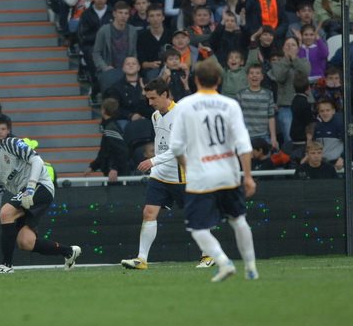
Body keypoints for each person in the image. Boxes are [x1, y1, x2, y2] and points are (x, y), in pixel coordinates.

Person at [169, 58, 259, 282]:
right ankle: (251, 268)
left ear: (196, 80)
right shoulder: (230, 105)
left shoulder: (184, 105)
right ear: (219, 80)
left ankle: (223, 262)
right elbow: (243, 144)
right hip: (228, 174)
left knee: (198, 228)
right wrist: (248, 176)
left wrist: (188, 167)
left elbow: (176, 146)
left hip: (201, 176)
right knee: (238, 220)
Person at [0, 125, 81, 274]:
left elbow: (37, 160)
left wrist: (30, 187)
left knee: (6, 212)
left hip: (41, 185)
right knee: (26, 242)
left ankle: (6, 265)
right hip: (25, 195)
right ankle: (68, 252)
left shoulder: (10, 143)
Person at [121, 78, 186, 270]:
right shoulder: (156, 115)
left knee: (195, 214)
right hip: (159, 174)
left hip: (181, 174)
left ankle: (209, 254)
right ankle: (141, 259)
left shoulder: (181, 114)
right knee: (149, 212)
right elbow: (161, 143)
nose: (150, 103)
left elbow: (179, 148)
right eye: (148, 98)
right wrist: (156, 164)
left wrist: (153, 161)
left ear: (165, 95)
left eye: (153, 98)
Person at [86, 98, 128, 182]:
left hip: (115, 174)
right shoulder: (111, 127)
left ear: (103, 110)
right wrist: (93, 167)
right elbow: (104, 151)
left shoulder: (111, 129)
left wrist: (114, 168)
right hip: (112, 171)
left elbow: (120, 151)